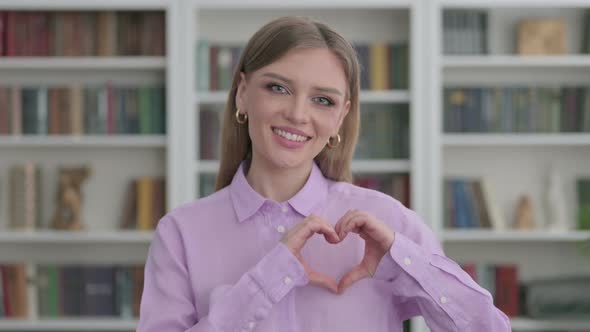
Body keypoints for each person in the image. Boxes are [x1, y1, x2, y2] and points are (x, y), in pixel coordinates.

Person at [137, 16, 511, 332]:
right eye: (278, 88)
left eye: (323, 100)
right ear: (242, 94)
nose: (298, 114)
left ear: (340, 117)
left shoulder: (389, 223)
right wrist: (267, 279)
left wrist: (403, 259)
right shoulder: (181, 234)